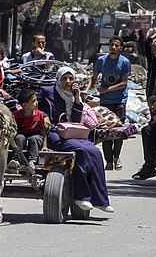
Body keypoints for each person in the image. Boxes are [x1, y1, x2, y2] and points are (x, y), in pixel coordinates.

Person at [37, 67, 114, 213]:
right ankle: (81, 196)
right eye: (64, 78)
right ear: (58, 80)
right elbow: (38, 108)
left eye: (70, 78)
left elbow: (77, 120)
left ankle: (100, 201)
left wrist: (77, 99)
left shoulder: (74, 96)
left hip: (72, 131)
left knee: (95, 152)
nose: (67, 82)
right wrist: (45, 116)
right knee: (81, 151)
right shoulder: (48, 92)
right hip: (54, 133)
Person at [88, 36, 131, 170]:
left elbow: (124, 83)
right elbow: (94, 78)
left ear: (121, 48)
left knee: (118, 131)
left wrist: (107, 89)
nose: (113, 48)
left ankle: (116, 157)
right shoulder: (101, 60)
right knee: (106, 131)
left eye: (117, 45)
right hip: (105, 102)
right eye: (112, 45)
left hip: (119, 101)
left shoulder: (125, 62)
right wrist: (86, 89)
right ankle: (108, 161)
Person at [10, 88, 50, 170]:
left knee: (34, 139)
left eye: (36, 100)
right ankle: (16, 160)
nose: (36, 103)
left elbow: (44, 131)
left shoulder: (40, 115)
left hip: (36, 135)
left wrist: (45, 146)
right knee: (19, 138)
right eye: (33, 101)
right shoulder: (17, 116)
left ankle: (33, 161)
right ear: (24, 105)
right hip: (22, 135)